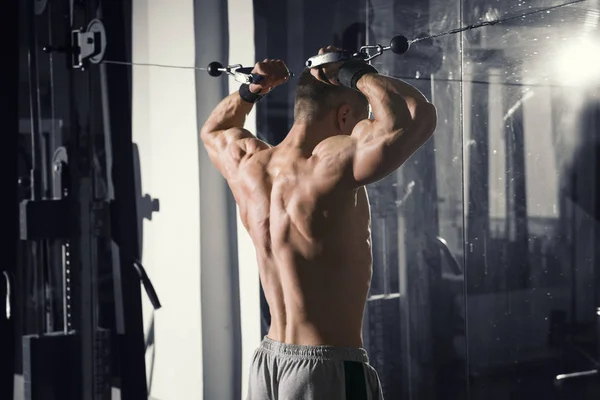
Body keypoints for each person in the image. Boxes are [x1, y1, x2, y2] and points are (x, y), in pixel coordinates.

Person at [200, 46, 437, 400]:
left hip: (268, 362)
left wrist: (253, 88)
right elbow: (419, 117)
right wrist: (355, 74)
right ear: (344, 115)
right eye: (363, 118)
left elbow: (215, 130)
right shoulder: (332, 166)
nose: (365, 127)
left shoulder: (250, 165)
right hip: (325, 369)